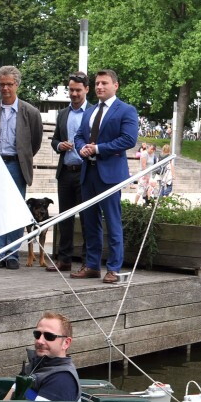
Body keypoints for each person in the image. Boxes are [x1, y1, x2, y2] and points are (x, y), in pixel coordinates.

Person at [72, 69, 138, 284]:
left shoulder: (126, 110)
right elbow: (79, 136)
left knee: (112, 221)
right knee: (90, 222)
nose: (100, 87)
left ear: (115, 86)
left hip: (110, 175)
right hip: (88, 172)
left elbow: (128, 139)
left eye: (104, 83)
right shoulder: (90, 111)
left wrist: (98, 149)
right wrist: (81, 148)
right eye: (97, 83)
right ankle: (92, 266)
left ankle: (114, 269)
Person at [0, 65, 43, 270]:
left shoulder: (30, 112)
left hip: (17, 164)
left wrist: (23, 157)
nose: (5, 88)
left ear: (17, 84)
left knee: (16, 209)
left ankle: (13, 254)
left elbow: (35, 141)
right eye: (2, 85)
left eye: (9, 84)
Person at [48, 72, 91, 273]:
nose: (74, 94)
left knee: (87, 218)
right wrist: (59, 146)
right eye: (71, 90)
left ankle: (87, 261)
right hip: (65, 172)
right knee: (64, 218)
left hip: (86, 172)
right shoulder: (63, 114)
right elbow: (54, 140)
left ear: (86, 90)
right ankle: (64, 259)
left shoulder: (93, 112)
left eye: (78, 90)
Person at [4, 312, 81, 402]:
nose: (40, 341)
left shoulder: (62, 379)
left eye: (49, 336)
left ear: (66, 343)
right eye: (37, 334)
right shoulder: (34, 365)